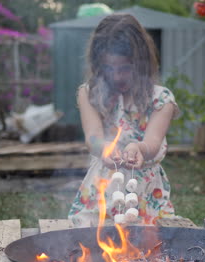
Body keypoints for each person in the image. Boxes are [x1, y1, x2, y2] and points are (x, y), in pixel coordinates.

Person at [68, 13, 179, 227]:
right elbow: (93, 138)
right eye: (109, 68)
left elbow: (153, 142)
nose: (117, 76)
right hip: (102, 186)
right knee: (93, 241)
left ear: (141, 64)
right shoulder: (90, 94)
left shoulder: (161, 99)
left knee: (147, 243)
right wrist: (104, 148)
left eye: (125, 68)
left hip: (146, 192)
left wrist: (140, 147)